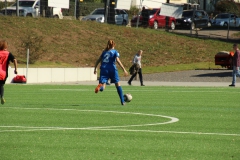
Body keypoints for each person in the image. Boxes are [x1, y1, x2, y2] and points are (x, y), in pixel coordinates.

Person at [94, 40, 128, 105]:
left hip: (104, 69)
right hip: (112, 69)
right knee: (118, 84)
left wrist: (95, 69)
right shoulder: (115, 52)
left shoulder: (104, 52)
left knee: (103, 86)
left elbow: (98, 60)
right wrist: (124, 69)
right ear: (113, 45)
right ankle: (122, 101)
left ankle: (100, 87)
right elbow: (118, 60)